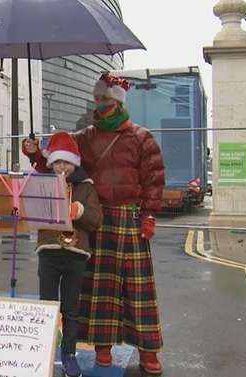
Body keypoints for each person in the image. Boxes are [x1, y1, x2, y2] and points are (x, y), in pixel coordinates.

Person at [23, 72, 166, 375]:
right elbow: (58, 165)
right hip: (94, 217)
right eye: (98, 100)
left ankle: (148, 351)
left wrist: (149, 214)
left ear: (118, 102)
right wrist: (35, 154)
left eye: (107, 100)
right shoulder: (83, 137)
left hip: (128, 218)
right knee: (100, 289)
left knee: (136, 291)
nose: (102, 105)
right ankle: (103, 349)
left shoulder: (142, 137)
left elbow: (153, 178)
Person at [34, 132, 103, 377]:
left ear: (75, 163)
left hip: (75, 253)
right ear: (51, 163)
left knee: (71, 310)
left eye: (67, 163)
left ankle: (69, 355)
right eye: (58, 163)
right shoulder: (41, 185)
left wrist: (80, 210)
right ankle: (43, 354)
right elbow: (31, 214)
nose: (62, 167)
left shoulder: (86, 188)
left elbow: (96, 220)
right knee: (47, 307)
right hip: (49, 252)